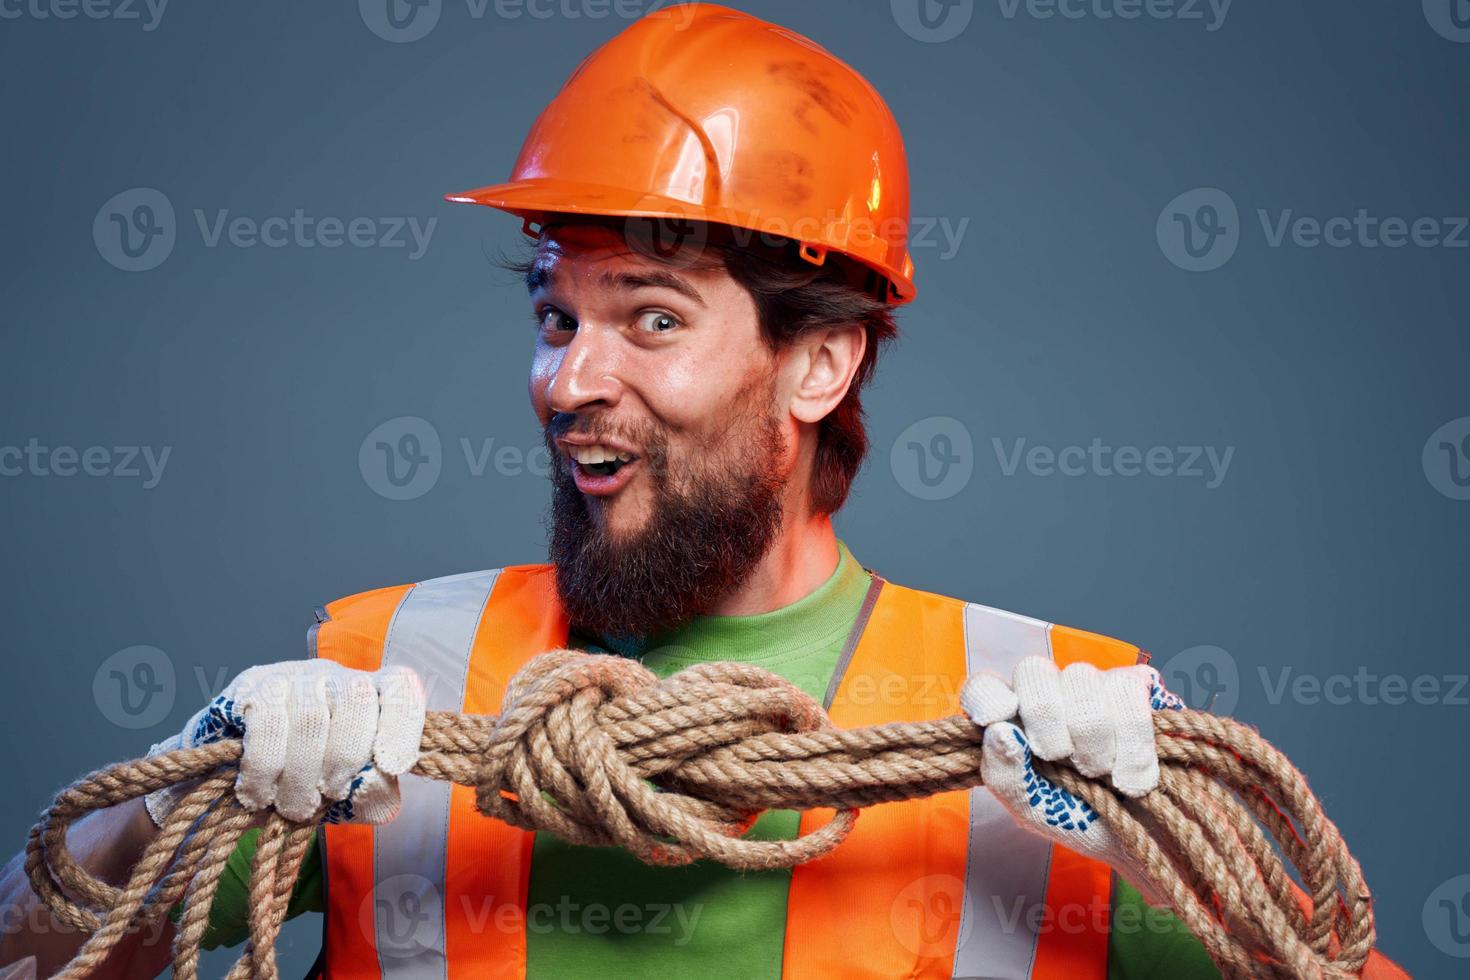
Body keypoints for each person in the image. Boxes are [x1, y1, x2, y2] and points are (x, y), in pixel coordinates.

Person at [0, 5, 1407, 978]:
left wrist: (1186, 877)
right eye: (558, 319)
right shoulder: (390, 683)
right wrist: (185, 782)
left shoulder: (1047, 721)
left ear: (817, 364)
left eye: (652, 320)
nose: (568, 381)